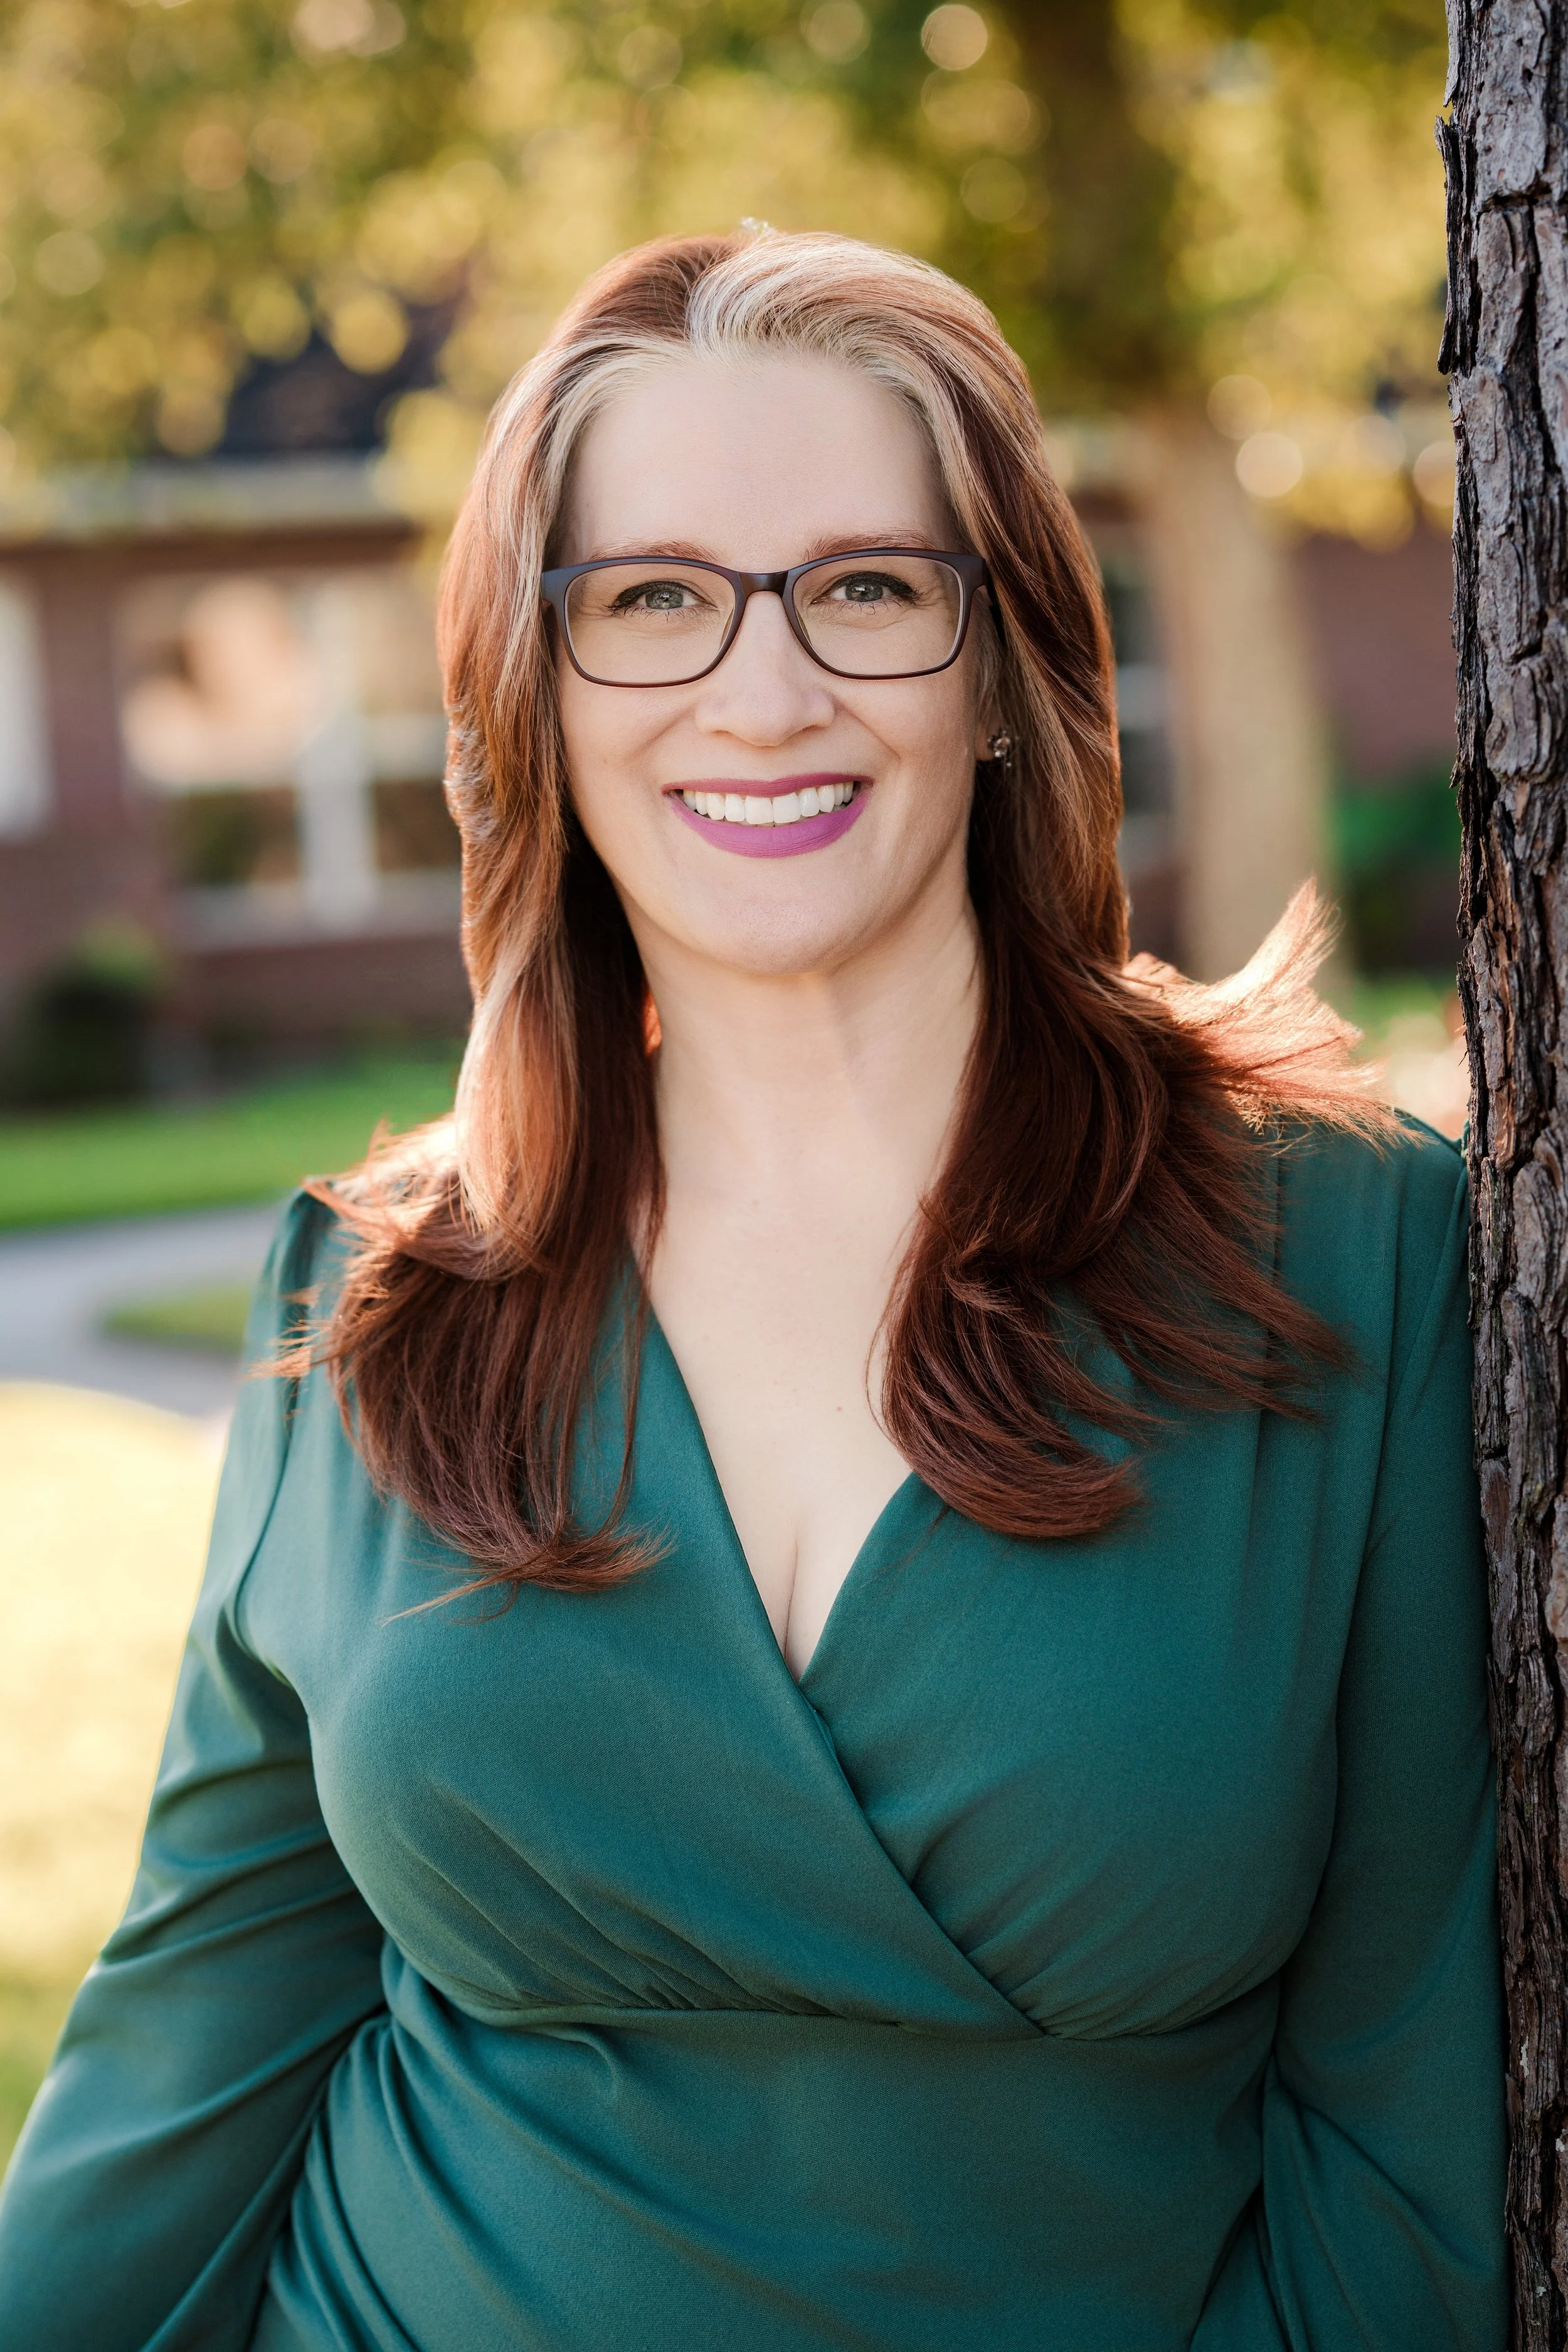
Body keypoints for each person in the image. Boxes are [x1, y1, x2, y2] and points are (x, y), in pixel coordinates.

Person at [0, 229, 1505, 2351]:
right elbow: (188, 2056)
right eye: (651, 600)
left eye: (868, 588)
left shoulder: (1352, 1254)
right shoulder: (363, 1297)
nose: (762, 691)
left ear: (1005, 667)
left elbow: (1413, 2141)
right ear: (535, 689)